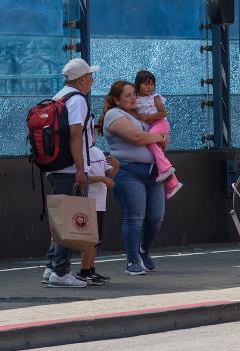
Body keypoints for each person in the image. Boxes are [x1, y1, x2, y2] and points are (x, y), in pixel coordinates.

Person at [101, 80, 169, 276]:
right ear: (117, 99)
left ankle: (144, 249)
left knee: (156, 217)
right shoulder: (114, 114)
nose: (133, 98)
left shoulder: (141, 115)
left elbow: (161, 133)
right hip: (128, 172)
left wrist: (161, 138)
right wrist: (159, 137)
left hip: (153, 172)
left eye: (134, 94)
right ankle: (132, 261)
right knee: (135, 217)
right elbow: (137, 138)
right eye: (128, 95)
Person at [42, 58, 99, 288]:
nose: (92, 80)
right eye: (90, 76)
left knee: (60, 219)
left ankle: (51, 267)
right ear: (82, 79)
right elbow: (75, 136)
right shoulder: (77, 100)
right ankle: (61, 272)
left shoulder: (59, 96)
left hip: (55, 167)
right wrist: (80, 170)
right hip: (69, 169)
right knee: (70, 220)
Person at [132, 70, 183, 199]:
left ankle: (165, 168)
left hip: (161, 124)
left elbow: (163, 113)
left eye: (152, 84)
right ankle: (173, 183)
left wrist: (147, 117)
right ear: (138, 85)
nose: (150, 87)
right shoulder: (136, 100)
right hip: (152, 128)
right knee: (157, 152)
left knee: (149, 141)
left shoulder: (156, 98)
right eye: (146, 84)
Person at [78, 146, 117, 284]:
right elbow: (82, 177)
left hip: (100, 203)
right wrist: (102, 179)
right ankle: (84, 272)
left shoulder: (98, 151)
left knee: (96, 241)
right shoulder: (80, 153)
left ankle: (90, 270)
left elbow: (110, 173)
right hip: (88, 201)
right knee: (90, 240)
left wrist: (116, 166)